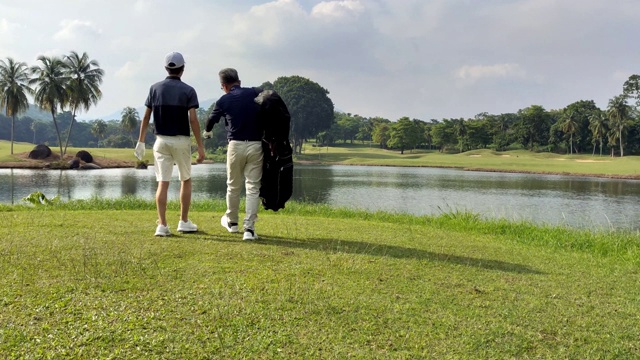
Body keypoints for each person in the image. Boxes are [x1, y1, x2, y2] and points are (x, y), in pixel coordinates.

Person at [135, 51, 205, 237]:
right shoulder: (188, 90)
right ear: (182, 69)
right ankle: (183, 221)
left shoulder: (154, 88)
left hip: (161, 141)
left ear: (166, 68)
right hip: (181, 141)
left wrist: (141, 141)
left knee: (162, 183)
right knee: (185, 179)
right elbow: (193, 120)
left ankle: (162, 225)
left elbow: (146, 116)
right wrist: (200, 145)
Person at [203, 68, 263, 240]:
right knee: (252, 188)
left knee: (233, 186)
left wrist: (207, 133)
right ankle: (249, 230)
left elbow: (210, 121)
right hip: (256, 145)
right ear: (239, 81)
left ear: (224, 86)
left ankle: (232, 223)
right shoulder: (255, 93)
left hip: (235, 145)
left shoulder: (224, 99)